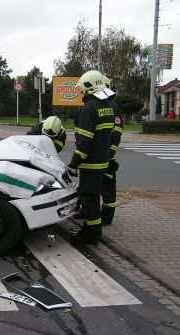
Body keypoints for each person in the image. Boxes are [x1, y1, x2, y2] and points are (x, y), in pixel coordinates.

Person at [67, 70, 114, 244]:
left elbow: (84, 142)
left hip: (90, 164)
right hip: (102, 162)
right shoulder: (106, 106)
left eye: (82, 91)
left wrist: (73, 164)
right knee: (93, 197)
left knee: (90, 199)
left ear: (89, 87)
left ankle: (92, 234)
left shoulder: (89, 108)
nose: (81, 94)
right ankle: (90, 229)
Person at [101, 75, 124, 225]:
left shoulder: (112, 108)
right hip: (98, 156)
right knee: (97, 187)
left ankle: (107, 218)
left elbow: (116, 134)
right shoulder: (101, 105)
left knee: (108, 189)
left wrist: (109, 156)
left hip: (106, 157)